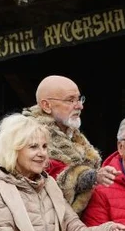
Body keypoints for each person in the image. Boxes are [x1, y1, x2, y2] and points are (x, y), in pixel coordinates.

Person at [23, 75, 118, 213]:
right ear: (46, 105)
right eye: (70, 100)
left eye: (79, 99)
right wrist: (93, 177)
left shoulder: (72, 134)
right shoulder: (27, 134)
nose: (80, 106)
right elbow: (50, 175)